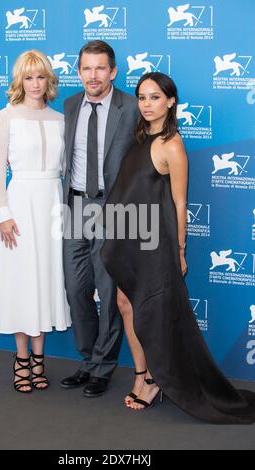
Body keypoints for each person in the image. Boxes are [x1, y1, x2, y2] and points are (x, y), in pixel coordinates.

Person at [100, 72, 255, 423]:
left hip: (156, 245)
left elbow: (179, 201)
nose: (147, 104)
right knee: (126, 305)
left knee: (151, 315)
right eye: (142, 97)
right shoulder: (140, 138)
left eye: (155, 97)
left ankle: (155, 381)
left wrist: (181, 250)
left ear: (170, 101)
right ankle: (141, 374)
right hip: (130, 237)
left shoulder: (172, 144)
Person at [0, 50, 71, 393]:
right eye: (28, 77)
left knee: (47, 280)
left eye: (40, 77)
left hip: (52, 205)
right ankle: (22, 359)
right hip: (19, 207)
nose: (35, 84)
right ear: (19, 81)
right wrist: (3, 215)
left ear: (48, 80)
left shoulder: (60, 119)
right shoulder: (6, 116)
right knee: (22, 282)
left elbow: (65, 169)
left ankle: (40, 359)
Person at [61, 40, 139, 398]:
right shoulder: (71, 104)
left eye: (100, 68)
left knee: (108, 294)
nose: (93, 75)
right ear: (78, 71)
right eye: (86, 68)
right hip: (74, 207)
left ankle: (103, 367)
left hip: (112, 209)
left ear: (113, 71)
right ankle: (87, 360)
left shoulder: (133, 108)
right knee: (77, 290)